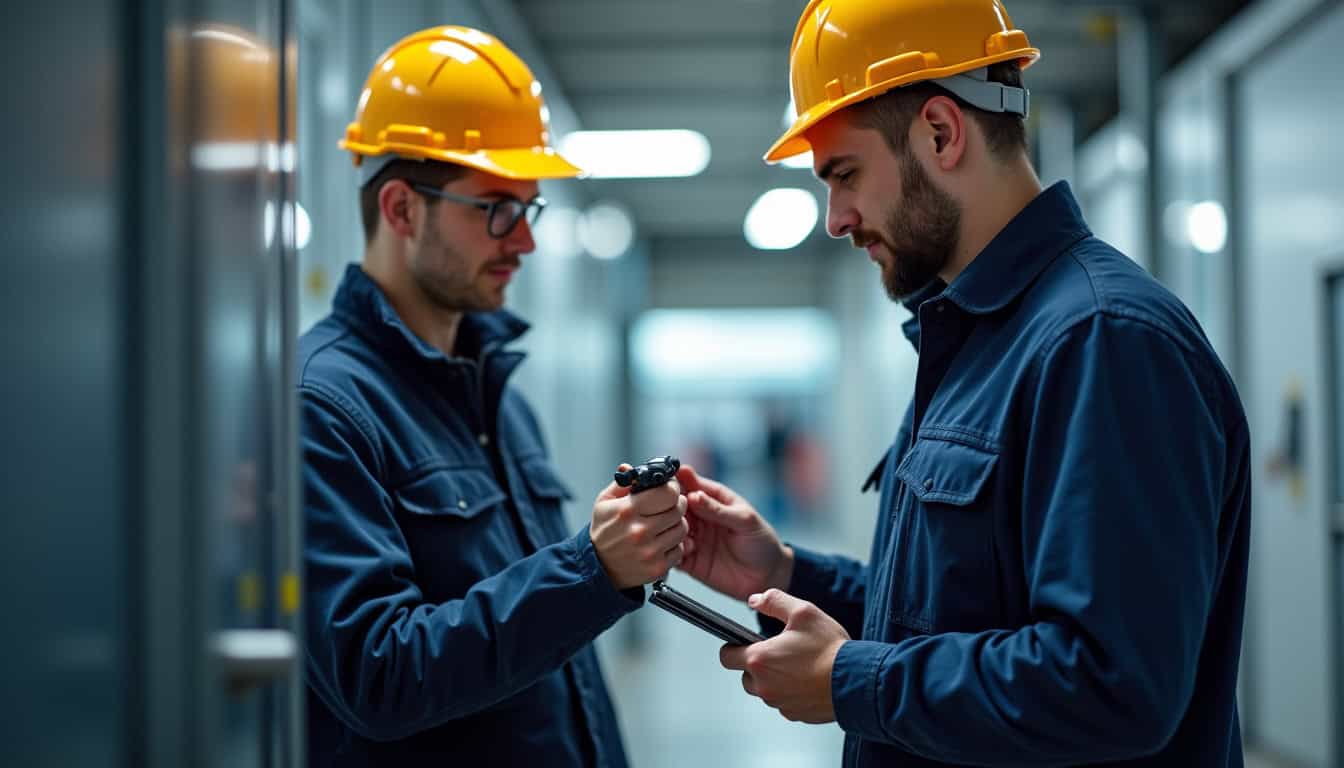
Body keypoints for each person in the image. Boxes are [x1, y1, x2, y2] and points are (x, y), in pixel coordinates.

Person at [675, 1, 1252, 765]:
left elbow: (1113, 685)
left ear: (941, 133)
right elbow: (955, 610)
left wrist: (854, 683)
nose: (836, 219)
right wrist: (784, 571)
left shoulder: (1101, 340)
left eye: (844, 174)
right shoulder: (979, 339)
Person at [298, 26, 687, 767]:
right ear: (401, 208)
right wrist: (589, 572)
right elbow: (376, 674)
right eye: (496, 209)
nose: (525, 242)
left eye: (529, 209)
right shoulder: (323, 406)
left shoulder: (500, 398)